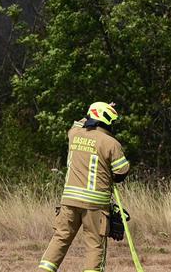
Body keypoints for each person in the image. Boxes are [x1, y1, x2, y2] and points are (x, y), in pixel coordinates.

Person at [37, 102, 130, 272]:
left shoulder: (74, 134)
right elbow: (122, 171)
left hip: (69, 200)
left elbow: (78, 123)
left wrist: (94, 111)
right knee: (94, 245)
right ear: (107, 120)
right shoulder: (111, 143)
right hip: (95, 205)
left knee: (60, 238)